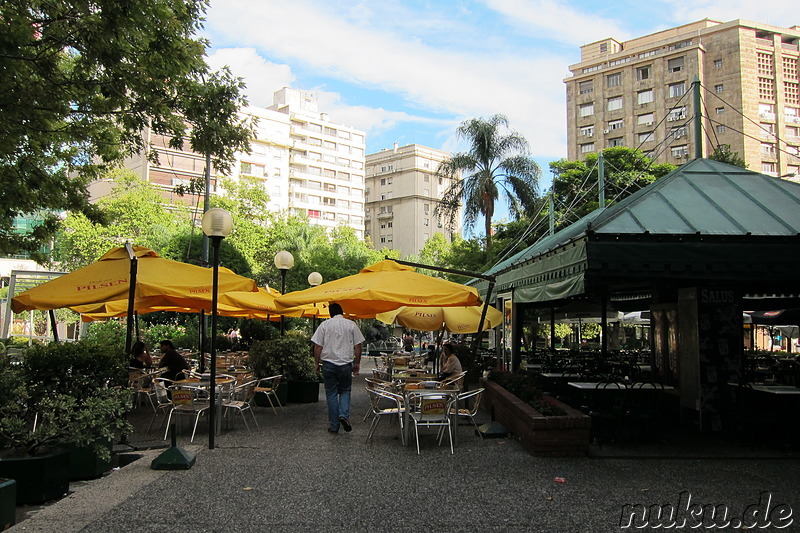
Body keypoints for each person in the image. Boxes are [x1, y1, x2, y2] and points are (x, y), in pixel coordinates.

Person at [311, 302, 365, 434]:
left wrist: (316, 363)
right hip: (345, 364)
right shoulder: (351, 325)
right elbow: (358, 346)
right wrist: (357, 363)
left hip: (329, 364)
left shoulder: (324, 325)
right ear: (342, 311)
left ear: (330, 313)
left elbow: (317, 347)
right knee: (345, 391)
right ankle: (343, 415)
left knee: (331, 394)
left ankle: (334, 426)